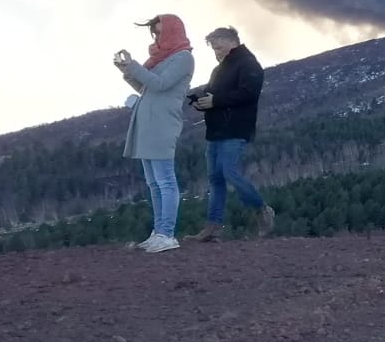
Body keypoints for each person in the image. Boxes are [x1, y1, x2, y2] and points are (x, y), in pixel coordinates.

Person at [115, 14, 195, 253]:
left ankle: (167, 234)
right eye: (155, 33)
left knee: (165, 181)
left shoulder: (183, 58)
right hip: (148, 123)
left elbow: (160, 85)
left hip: (161, 124)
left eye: (161, 32)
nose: (158, 37)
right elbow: (145, 87)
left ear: (173, 31)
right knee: (154, 183)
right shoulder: (162, 59)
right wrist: (128, 72)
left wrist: (135, 67)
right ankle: (158, 232)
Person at [185, 26, 274, 241]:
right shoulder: (220, 69)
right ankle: (213, 228)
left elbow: (249, 93)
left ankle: (262, 209)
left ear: (231, 42)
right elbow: (213, 93)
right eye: (214, 49)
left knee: (228, 172)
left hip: (236, 128)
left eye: (218, 47)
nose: (216, 52)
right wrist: (201, 101)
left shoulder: (249, 64)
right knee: (216, 178)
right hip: (216, 130)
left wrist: (215, 101)